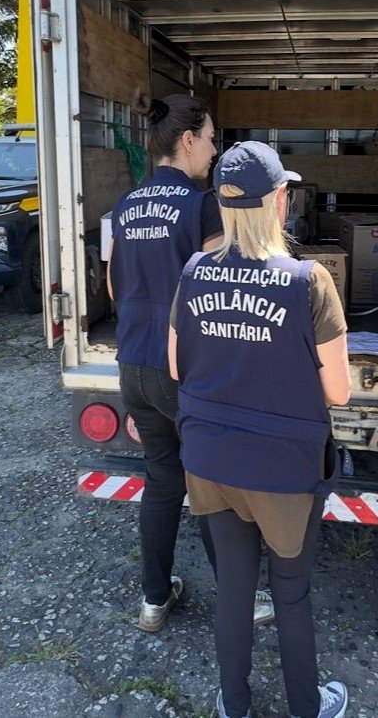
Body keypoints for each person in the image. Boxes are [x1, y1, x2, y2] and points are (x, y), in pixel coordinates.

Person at [168, 141, 351, 718]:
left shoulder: (194, 273)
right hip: (282, 469)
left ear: (223, 206)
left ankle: (235, 704)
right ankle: (305, 707)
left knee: (234, 589)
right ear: (279, 201)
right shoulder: (308, 280)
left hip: (210, 461)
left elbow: (176, 366)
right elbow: (339, 390)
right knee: (291, 592)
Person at [107, 94, 273, 633]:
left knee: (162, 482)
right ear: (187, 141)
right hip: (184, 371)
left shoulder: (125, 206)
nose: (215, 149)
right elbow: (220, 287)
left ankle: (154, 600)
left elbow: (112, 286)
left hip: (133, 366)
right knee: (213, 483)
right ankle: (242, 600)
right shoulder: (202, 205)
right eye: (210, 138)